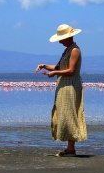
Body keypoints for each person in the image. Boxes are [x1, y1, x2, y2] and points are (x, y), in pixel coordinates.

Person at [36, 24, 87, 157]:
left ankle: (71, 148)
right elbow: (59, 66)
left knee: (69, 115)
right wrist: (45, 66)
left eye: (61, 38)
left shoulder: (75, 50)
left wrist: (55, 73)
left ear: (68, 37)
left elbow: (71, 70)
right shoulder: (67, 50)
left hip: (70, 86)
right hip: (64, 85)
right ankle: (70, 148)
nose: (59, 41)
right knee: (63, 114)